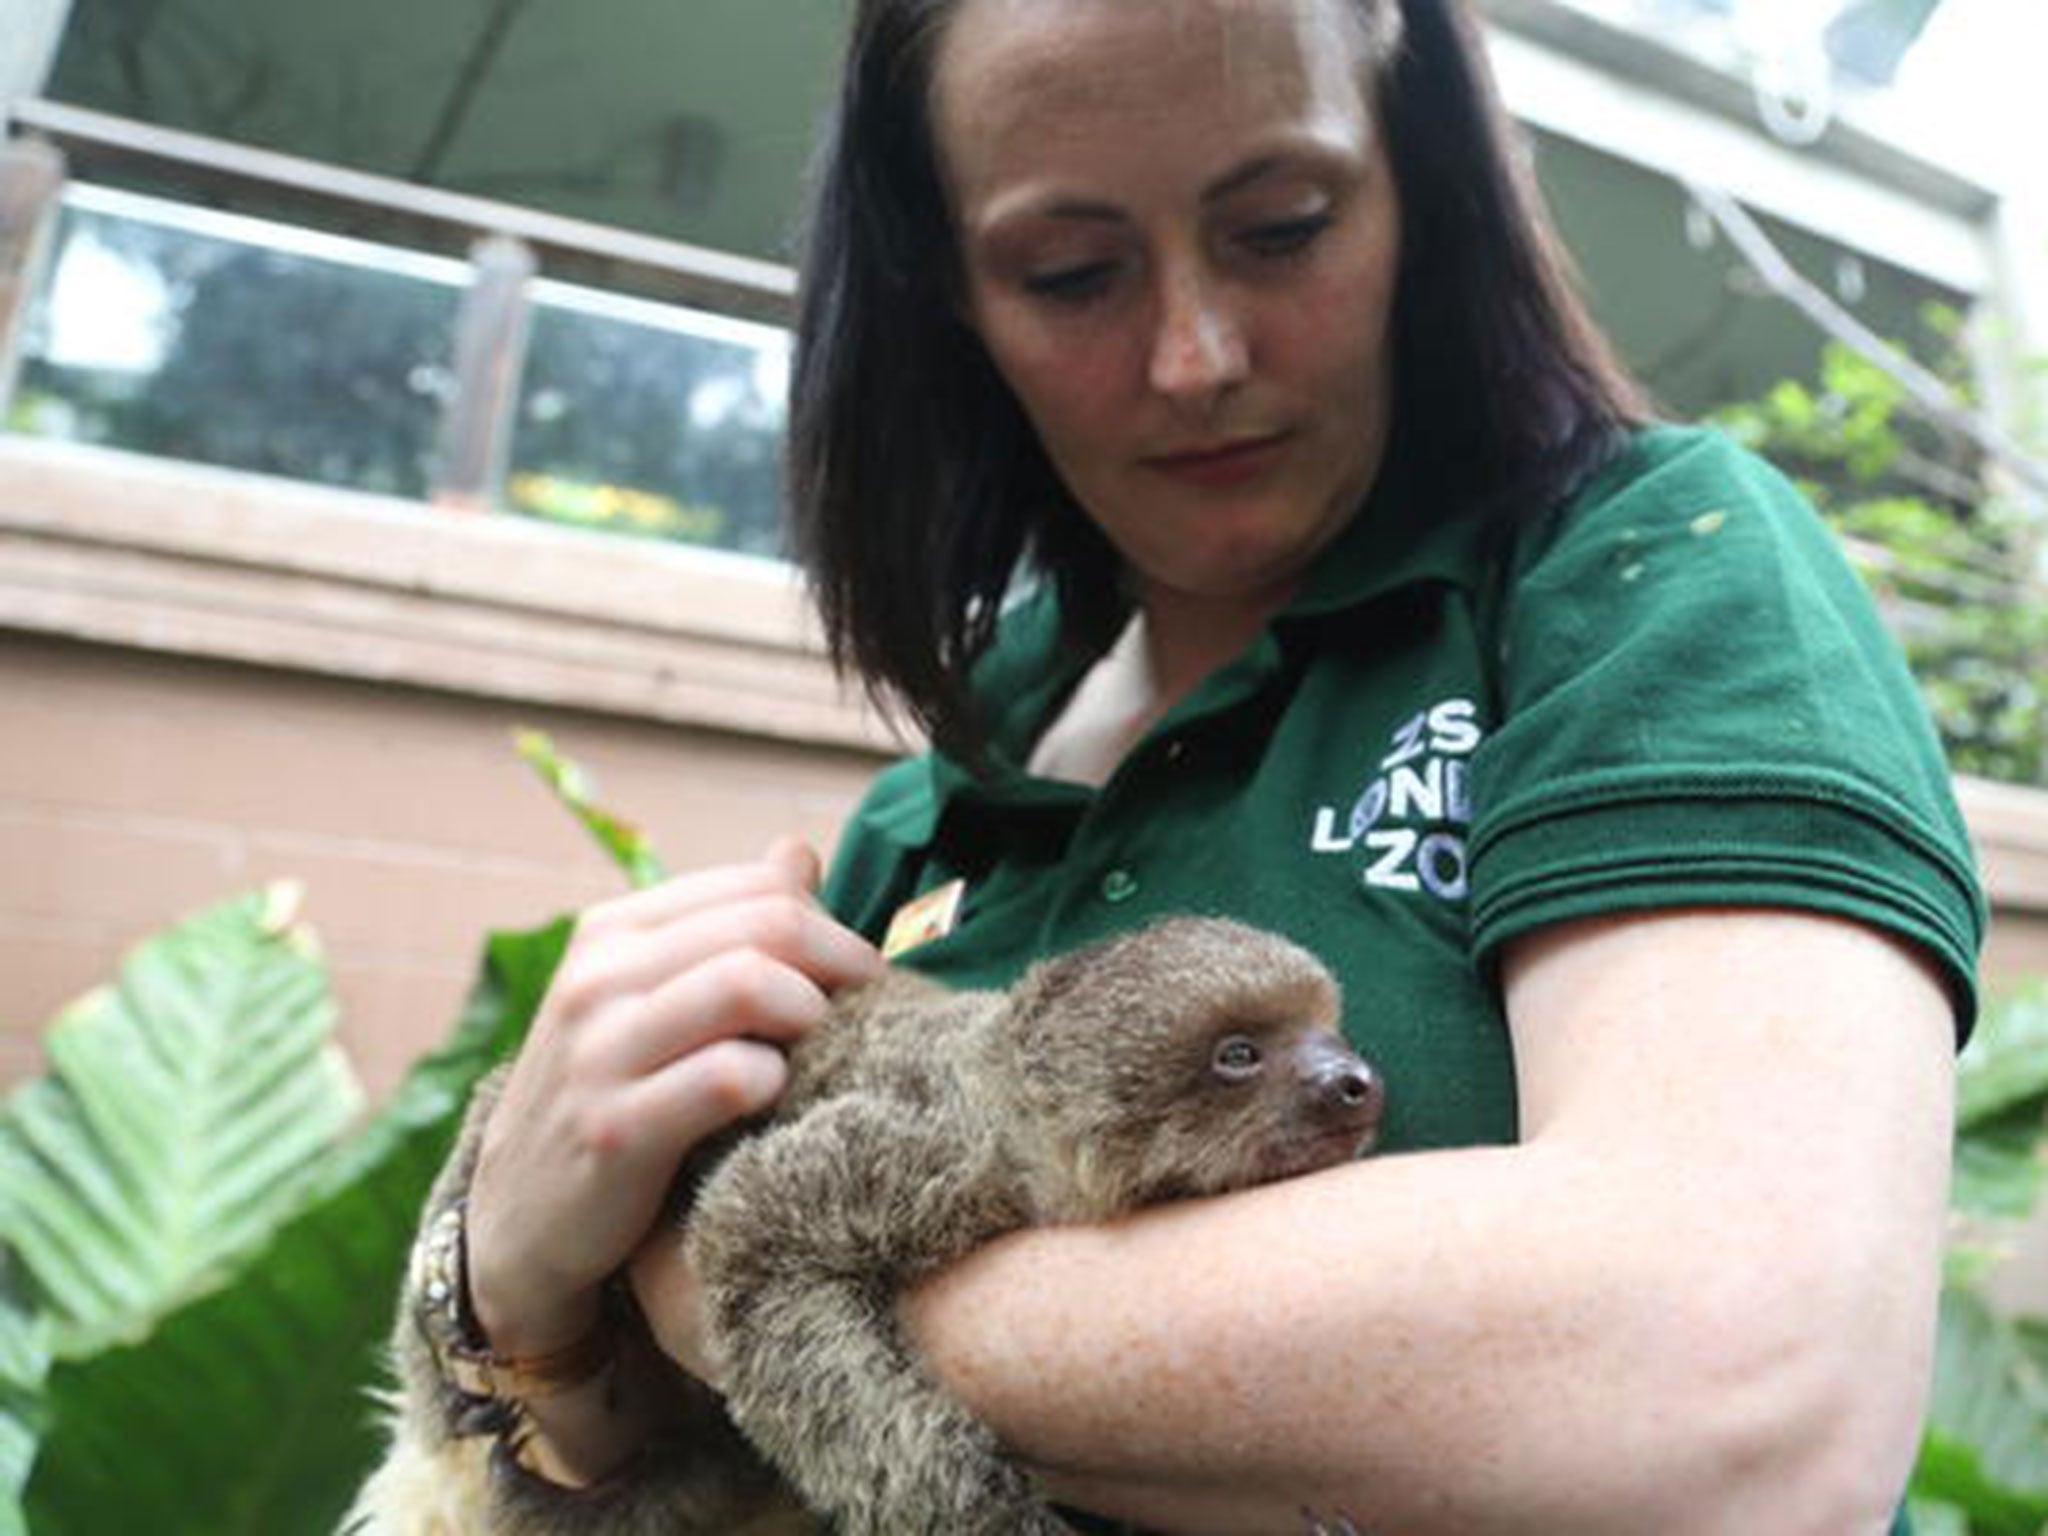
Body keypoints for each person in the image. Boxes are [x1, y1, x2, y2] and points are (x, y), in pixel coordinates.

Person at [387, 0, 1983, 1530]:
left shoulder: (1647, 570)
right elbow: (675, 1481)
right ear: (956, 294)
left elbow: (1733, 1385)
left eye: (1281, 226)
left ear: (1414, 191)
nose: (1197, 353)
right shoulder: (938, 797)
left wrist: (714, 1283)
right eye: (1072, 272)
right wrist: (522, 1300)